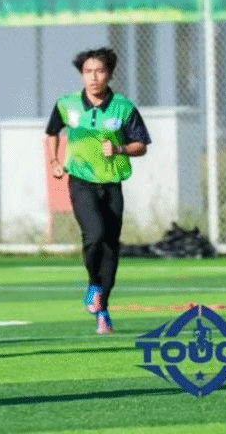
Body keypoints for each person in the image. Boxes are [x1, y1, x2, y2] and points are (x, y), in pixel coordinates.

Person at [45, 47, 150, 335]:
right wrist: (55, 161)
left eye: (99, 71)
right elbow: (52, 132)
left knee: (111, 246)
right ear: (81, 75)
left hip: (112, 182)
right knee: (95, 235)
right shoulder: (66, 104)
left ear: (110, 74)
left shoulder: (123, 107)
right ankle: (94, 285)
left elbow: (141, 145)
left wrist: (119, 149)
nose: (93, 77)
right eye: (88, 72)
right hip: (80, 180)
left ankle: (102, 307)